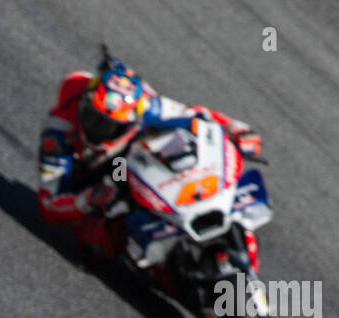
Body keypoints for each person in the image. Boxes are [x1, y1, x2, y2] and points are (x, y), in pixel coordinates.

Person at [37, 49, 264, 262]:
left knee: (184, 148)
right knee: (98, 243)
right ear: (85, 102)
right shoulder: (58, 133)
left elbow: (197, 115)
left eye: (108, 127)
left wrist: (237, 129)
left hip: (137, 157)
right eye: (92, 117)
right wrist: (87, 199)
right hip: (98, 177)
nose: (96, 129)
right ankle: (148, 255)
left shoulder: (148, 106)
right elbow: (49, 205)